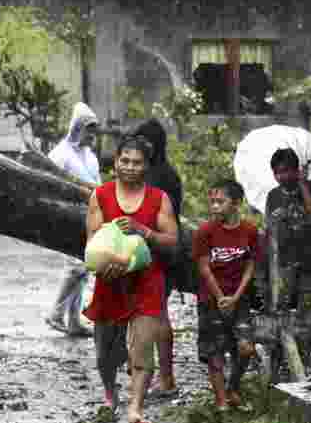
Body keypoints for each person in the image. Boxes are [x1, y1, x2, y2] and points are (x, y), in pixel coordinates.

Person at [83, 135, 179, 423]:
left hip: (147, 281)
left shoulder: (158, 198)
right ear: (115, 162)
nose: (130, 167)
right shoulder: (100, 196)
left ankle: (135, 407)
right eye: (124, 160)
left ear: (146, 166)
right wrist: (103, 267)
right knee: (104, 354)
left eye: (137, 162)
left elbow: (173, 240)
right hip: (110, 280)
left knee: (142, 347)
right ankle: (110, 392)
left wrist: (143, 230)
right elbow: (91, 242)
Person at [193, 180, 258, 413]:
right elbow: (204, 267)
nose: (215, 206)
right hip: (211, 300)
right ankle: (221, 402)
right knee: (215, 352)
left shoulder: (249, 231)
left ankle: (233, 388)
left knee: (245, 347)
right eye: (212, 202)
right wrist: (221, 297)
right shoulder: (204, 232)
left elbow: (251, 266)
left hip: (239, 300)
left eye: (220, 202)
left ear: (236, 203)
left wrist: (236, 297)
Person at [131, 118, 182, 398]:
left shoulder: (160, 176)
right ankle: (160, 377)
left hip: (157, 250)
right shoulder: (160, 172)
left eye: (144, 141)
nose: (140, 146)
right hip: (157, 248)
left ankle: (166, 379)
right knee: (151, 315)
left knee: (157, 316)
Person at [45, 102, 101, 336]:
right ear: (78, 128)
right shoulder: (60, 154)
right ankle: (55, 313)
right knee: (76, 265)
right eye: (89, 129)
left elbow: (97, 184)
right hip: (67, 212)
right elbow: (51, 183)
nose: (92, 135)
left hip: (90, 214)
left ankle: (73, 320)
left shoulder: (90, 156)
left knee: (83, 266)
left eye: (94, 130)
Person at [263, 147, 311, 313]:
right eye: (276, 172)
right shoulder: (273, 195)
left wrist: (302, 184)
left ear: (296, 170)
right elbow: (269, 228)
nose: (280, 177)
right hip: (284, 263)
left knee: (309, 313)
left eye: (284, 171)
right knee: (282, 312)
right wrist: (275, 219)